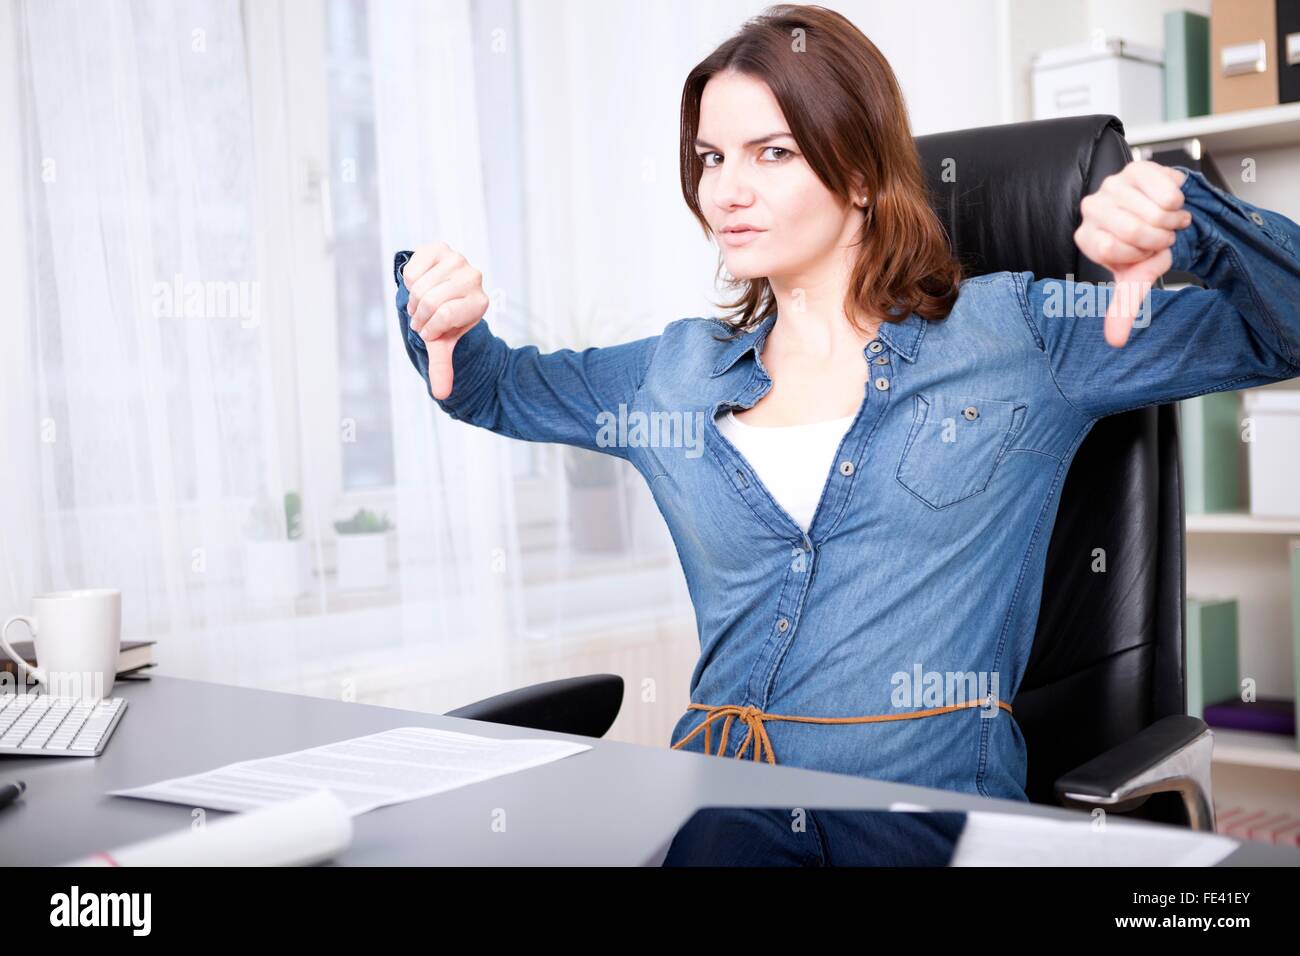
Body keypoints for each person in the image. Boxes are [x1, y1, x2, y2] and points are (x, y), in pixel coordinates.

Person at [393, 4, 1300, 803]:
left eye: (772, 153)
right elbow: (489, 385)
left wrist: (1194, 221)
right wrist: (436, 312)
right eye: (711, 158)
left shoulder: (1017, 335)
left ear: (862, 174)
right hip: (723, 813)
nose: (726, 191)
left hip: (927, 822)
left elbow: (1285, 328)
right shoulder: (669, 376)